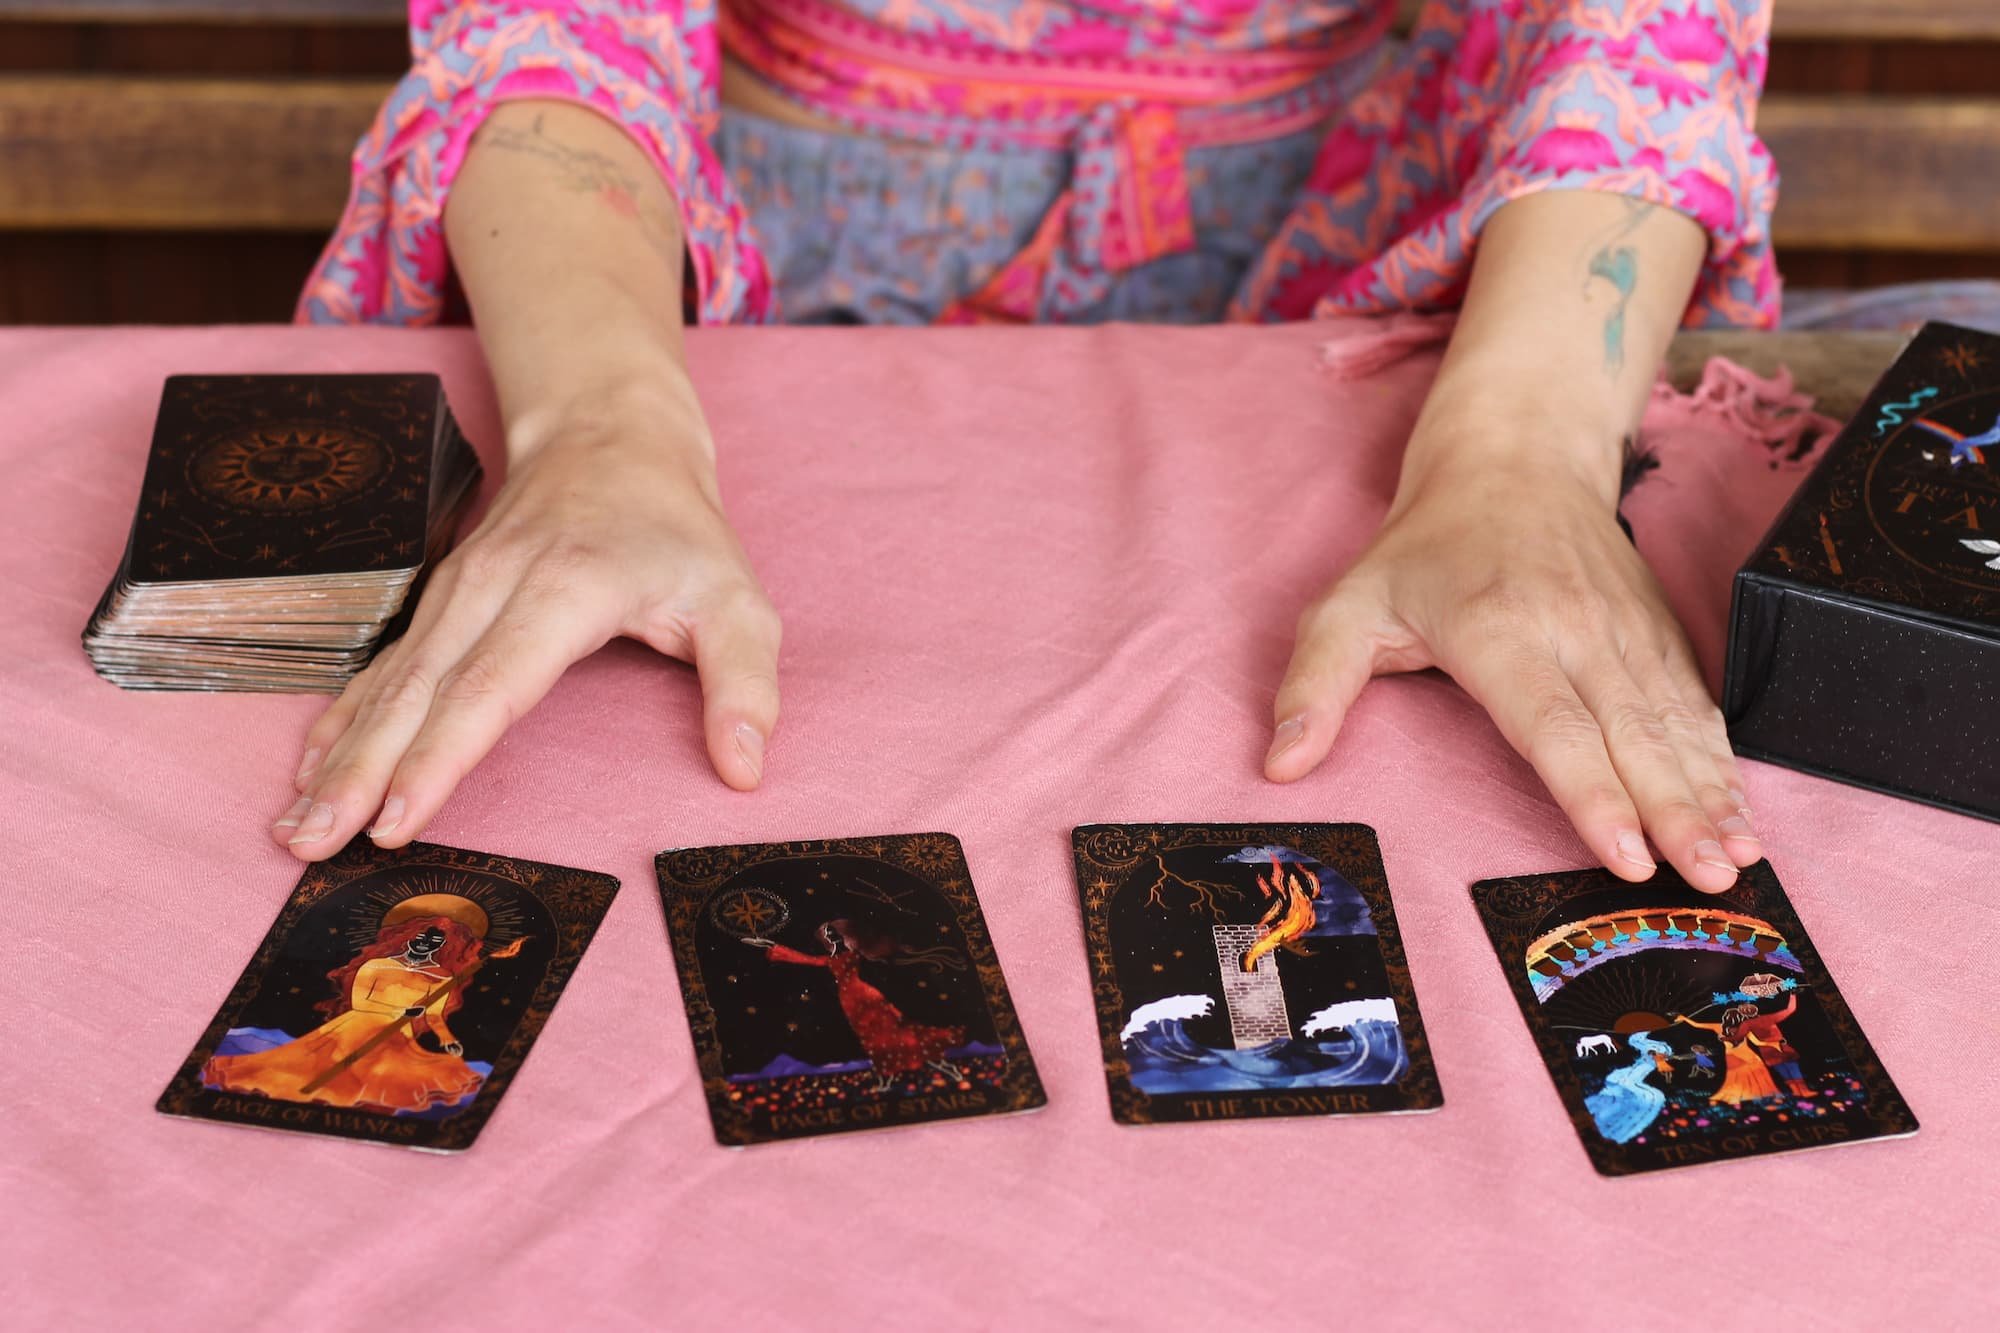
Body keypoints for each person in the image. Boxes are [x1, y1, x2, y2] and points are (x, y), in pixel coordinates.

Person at [274, 1, 1774, 896]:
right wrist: (597, 425)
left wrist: (1524, 448)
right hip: (718, 303)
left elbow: (1633, 22)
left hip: (1355, 308)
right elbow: (554, 20)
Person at [204, 898, 488, 1111]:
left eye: (434, 941)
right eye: (423, 936)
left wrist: (447, 1040)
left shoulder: (439, 977)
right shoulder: (377, 965)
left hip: (398, 1034)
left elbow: (435, 1016)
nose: (426, 942)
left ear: (440, 947)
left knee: (402, 1074)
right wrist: (400, 1012)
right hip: (359, 1023)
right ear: (411, 937)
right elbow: (360, 1001)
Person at [748, 919, 967, 1090]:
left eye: (833, 935)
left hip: (866, 996)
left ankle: (939, 1068)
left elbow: (873, 949)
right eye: (829, 936)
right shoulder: (830, 959)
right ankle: (888, 1079)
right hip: (851, 1002)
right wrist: (770, 945)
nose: (832, 938)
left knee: (895, 1031)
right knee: (873, 1039)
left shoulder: (853, 953)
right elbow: (800, 958)